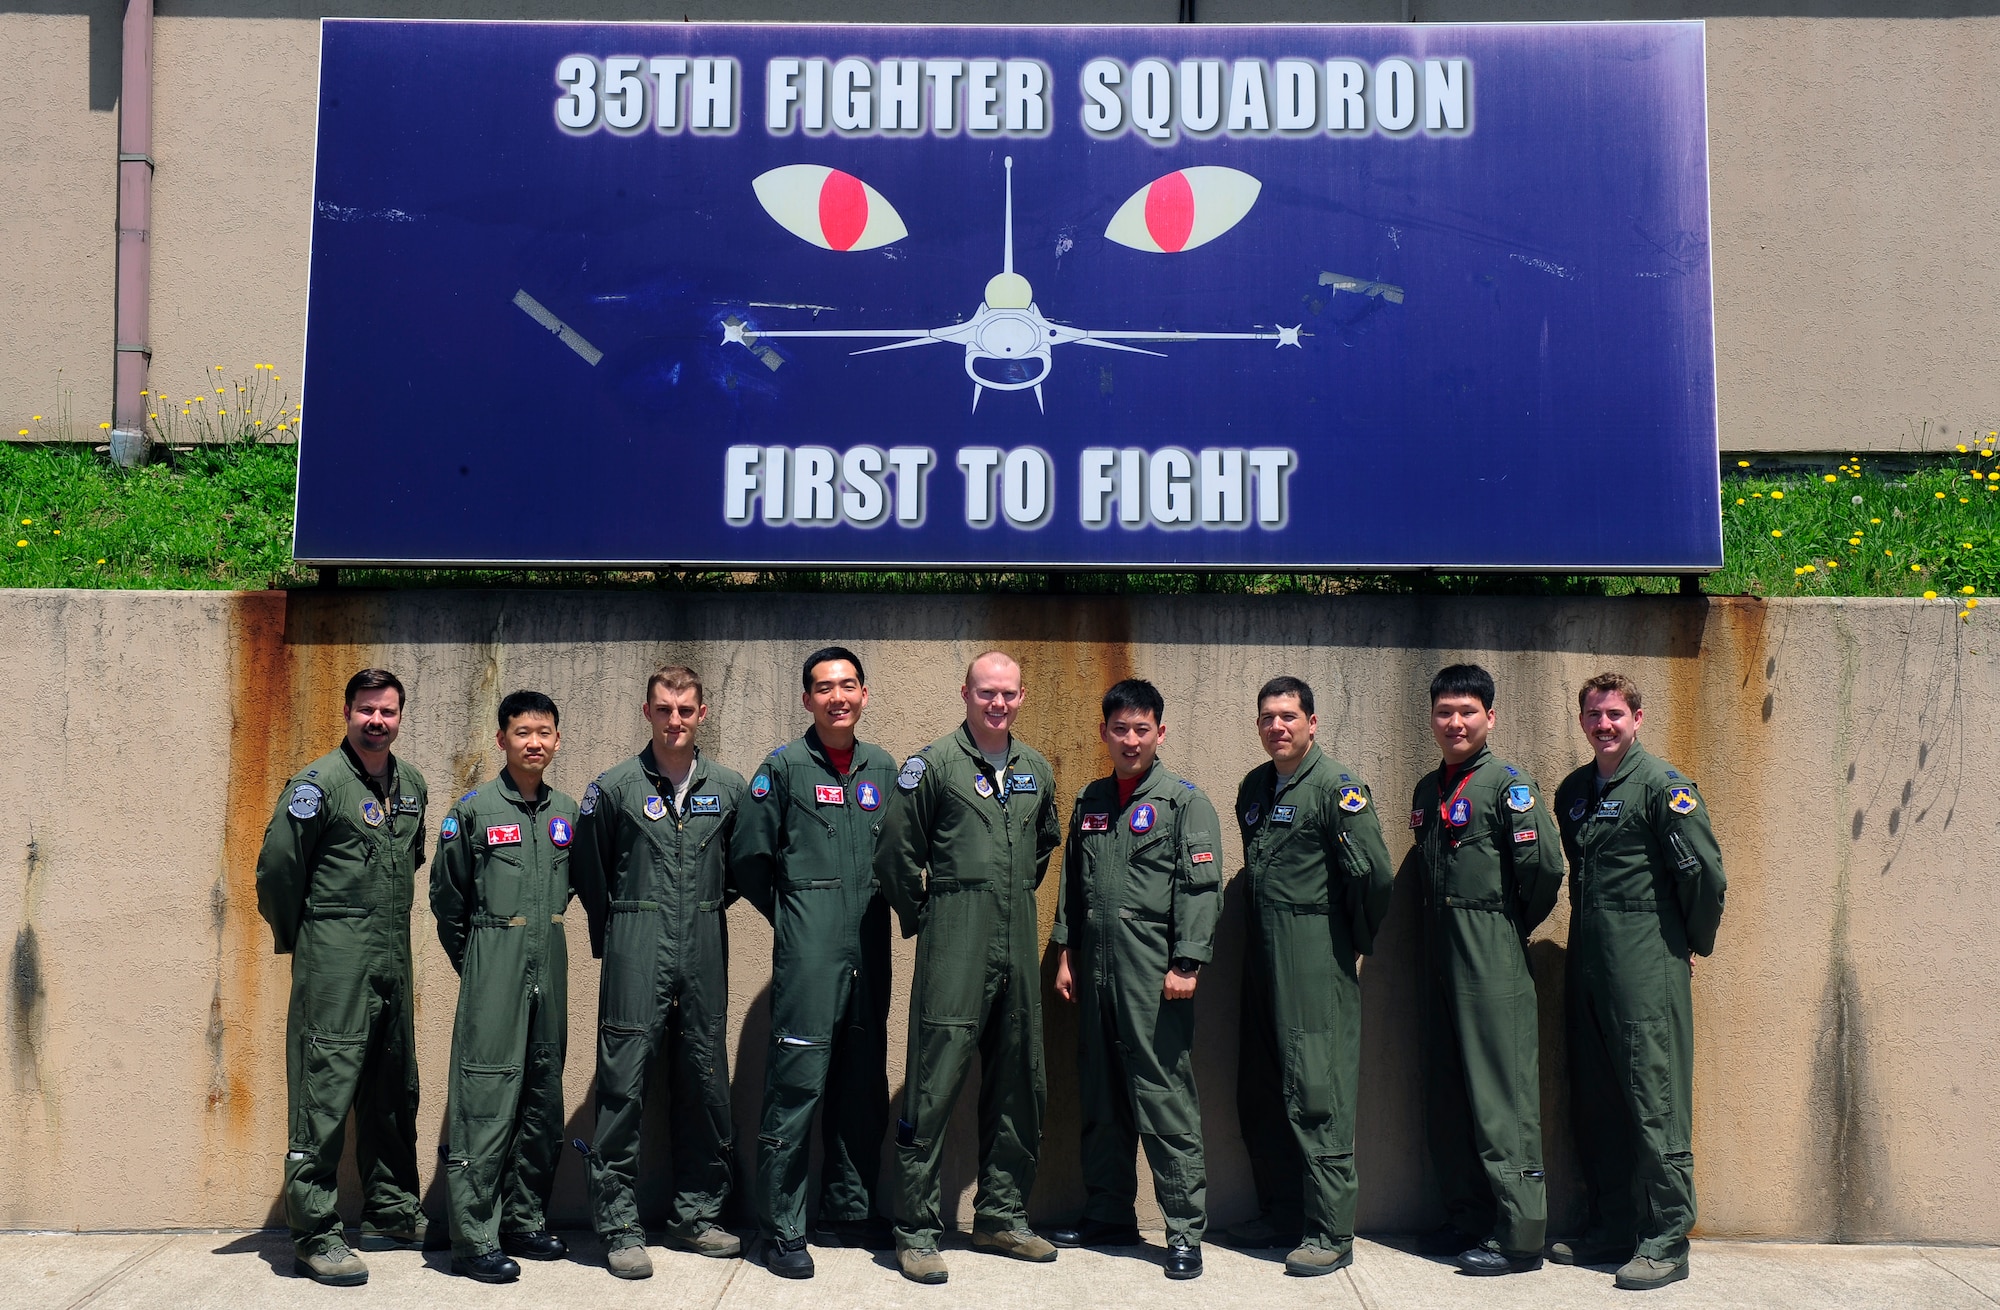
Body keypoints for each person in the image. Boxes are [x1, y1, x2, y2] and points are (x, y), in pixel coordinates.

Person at [877, 651, 1063, 1285]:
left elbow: (1043, 845)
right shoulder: (932, 766)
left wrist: (1008, 896)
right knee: (934, 1082)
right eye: (987, 692)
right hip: (954, 930)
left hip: (1015, 929)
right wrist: (928, 912)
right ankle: (917, 1228)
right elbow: (896, 850)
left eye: (1008, 693)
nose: (998, 703)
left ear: (1021, 696)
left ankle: (1002, 1216)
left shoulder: (1036, 768)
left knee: (1020, 1079)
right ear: (966, 693)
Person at [1550, 673, 1726, 1292]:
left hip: (1647, 958)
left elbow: (1703, 873)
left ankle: (1666, 1238)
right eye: (1594, 715)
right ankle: (1612, 1224)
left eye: (1615, 714)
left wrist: (1687, 944)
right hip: (1591, 957)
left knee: (1655, 1099)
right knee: (1597, 1096)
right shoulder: (1573, 792)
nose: (1604, 725)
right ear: (1582, 721)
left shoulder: (1663, 787)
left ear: (1638, 718)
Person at [255, 668, 430, 1287]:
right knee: (324, 1093)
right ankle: (315, 1232)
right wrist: (304, 941)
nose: (376, 721)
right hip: (335, 957)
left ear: (400, 716)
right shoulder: (318, 784)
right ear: (348, 713)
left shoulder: (411, 784)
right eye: (365, 711)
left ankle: (391, 1210)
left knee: (392, 1085)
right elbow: (278, 871)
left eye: (387, 711)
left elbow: (409, 861)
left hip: (392, 956)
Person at [573, 666, 748, 1279]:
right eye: (664, 708)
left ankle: (697, 1213)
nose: (675, 720)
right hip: (636, 939)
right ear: (646, 711)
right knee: (623, 1083)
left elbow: (739, 871)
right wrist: (623, 930)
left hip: (701, 939)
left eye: (686, 709)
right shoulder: (615, 788)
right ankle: (619, 1225)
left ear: (703, 714)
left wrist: (694, 914)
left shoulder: (729, 788)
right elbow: (591, 875)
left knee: (704, 1076)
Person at [1046, 678, 1221, 1281]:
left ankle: (1182, 1233)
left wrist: (1186, 963)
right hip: (1094, 971)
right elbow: (1072, 885)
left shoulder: (1183, 803)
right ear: (1104, 733)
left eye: (1141, 728)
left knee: (1164, 1100)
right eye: (1119, 728)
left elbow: (1201, 890)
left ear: (1159, 733)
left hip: (1154, 977)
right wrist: (1065, 953)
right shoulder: (1091, 801)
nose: (1129, 739)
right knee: (1100, 1096)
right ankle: (1109, 1214)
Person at [731, 646, 898, 1279]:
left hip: (869, 946)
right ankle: (783, 1225)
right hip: (808, 950)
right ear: (807, 699)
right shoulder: (782, 769)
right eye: (825, 688)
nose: (838, 697)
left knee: (861, 1081)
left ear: (863, 694)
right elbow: (748, 858)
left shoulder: (884, 768)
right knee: (797, 1083)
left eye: (849, 685)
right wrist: (797, 917)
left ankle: (849, 1209)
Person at [1225, 676, 1395, 1276]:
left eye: (1289, 716)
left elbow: (1373, 876)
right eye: (1268, 716)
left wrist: (1344, 940)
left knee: (1314, 1089)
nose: (1279, 726)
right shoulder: (1254, 786)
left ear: (1313, 721)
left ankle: (1329, 1230)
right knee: (1264, 1084)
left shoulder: (1336, 787)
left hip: (1313, 952)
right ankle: (1280, 1214)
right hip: (1261, 951)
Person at [1409, 664, 1564, 1276]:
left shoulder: (1508, 786)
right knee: (1449, 1095)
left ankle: (1520, 1236)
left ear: (1490, 717)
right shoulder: (1429, 790)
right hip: (1440, 958)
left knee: (1503, 1100)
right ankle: (1467, 1215)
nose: (1455, 722)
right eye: (1445, 712)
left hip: (1491, 957)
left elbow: (1544, 871)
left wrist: (1504, 928)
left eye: (1467, 712)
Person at [429, 690, 579, 1283]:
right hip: (495, 965)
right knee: (485, 1101)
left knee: (543, 1099)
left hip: (551, 971)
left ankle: (524, 1220)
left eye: (544, 732)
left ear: (557, 740)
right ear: (502, 740)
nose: (534, 742)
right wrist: (484, 964)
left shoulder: (568, 810)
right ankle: (473, 1239)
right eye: (522, 732)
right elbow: (447, 900)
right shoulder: (473, 811)